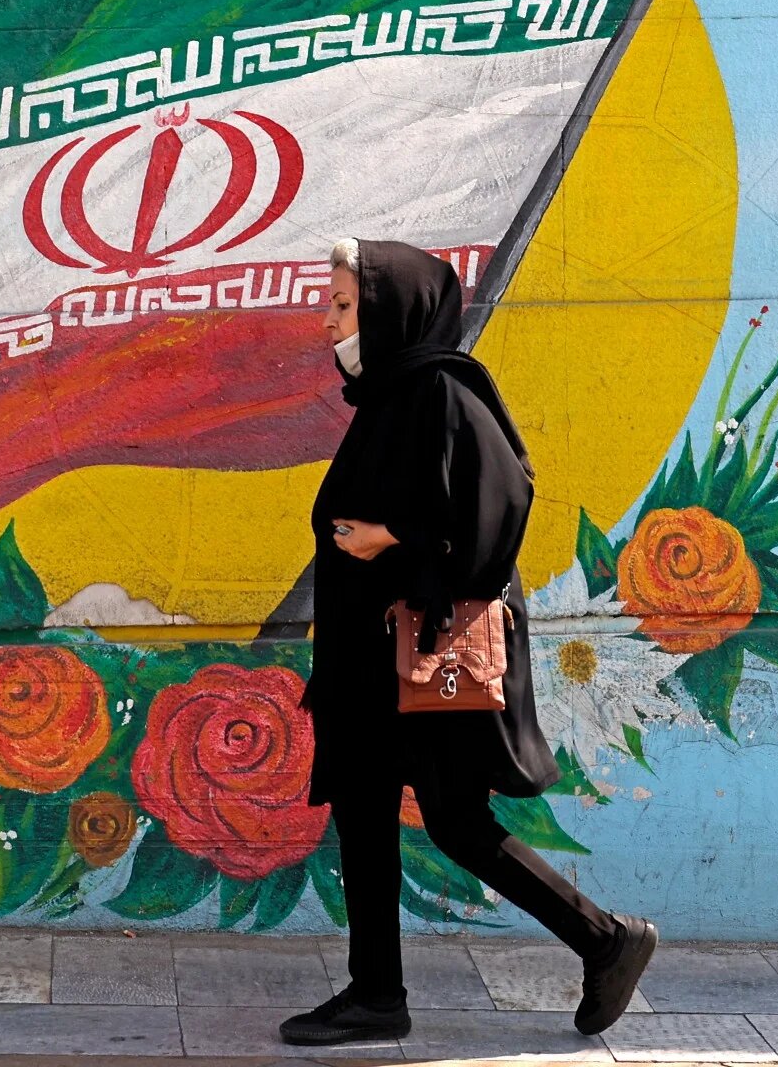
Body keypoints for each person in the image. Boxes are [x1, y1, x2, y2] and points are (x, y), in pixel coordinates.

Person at [279, 238, 656, 1048]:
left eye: (343, 306)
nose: (329, 324)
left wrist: (391, 539)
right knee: (364, 811)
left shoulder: (443, 390)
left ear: (391, 309)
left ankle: (605, 940)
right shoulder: (392, 395)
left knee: (455, 819)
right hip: (375, 662)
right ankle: (376, 996)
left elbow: (499, 506)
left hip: (427, 649)